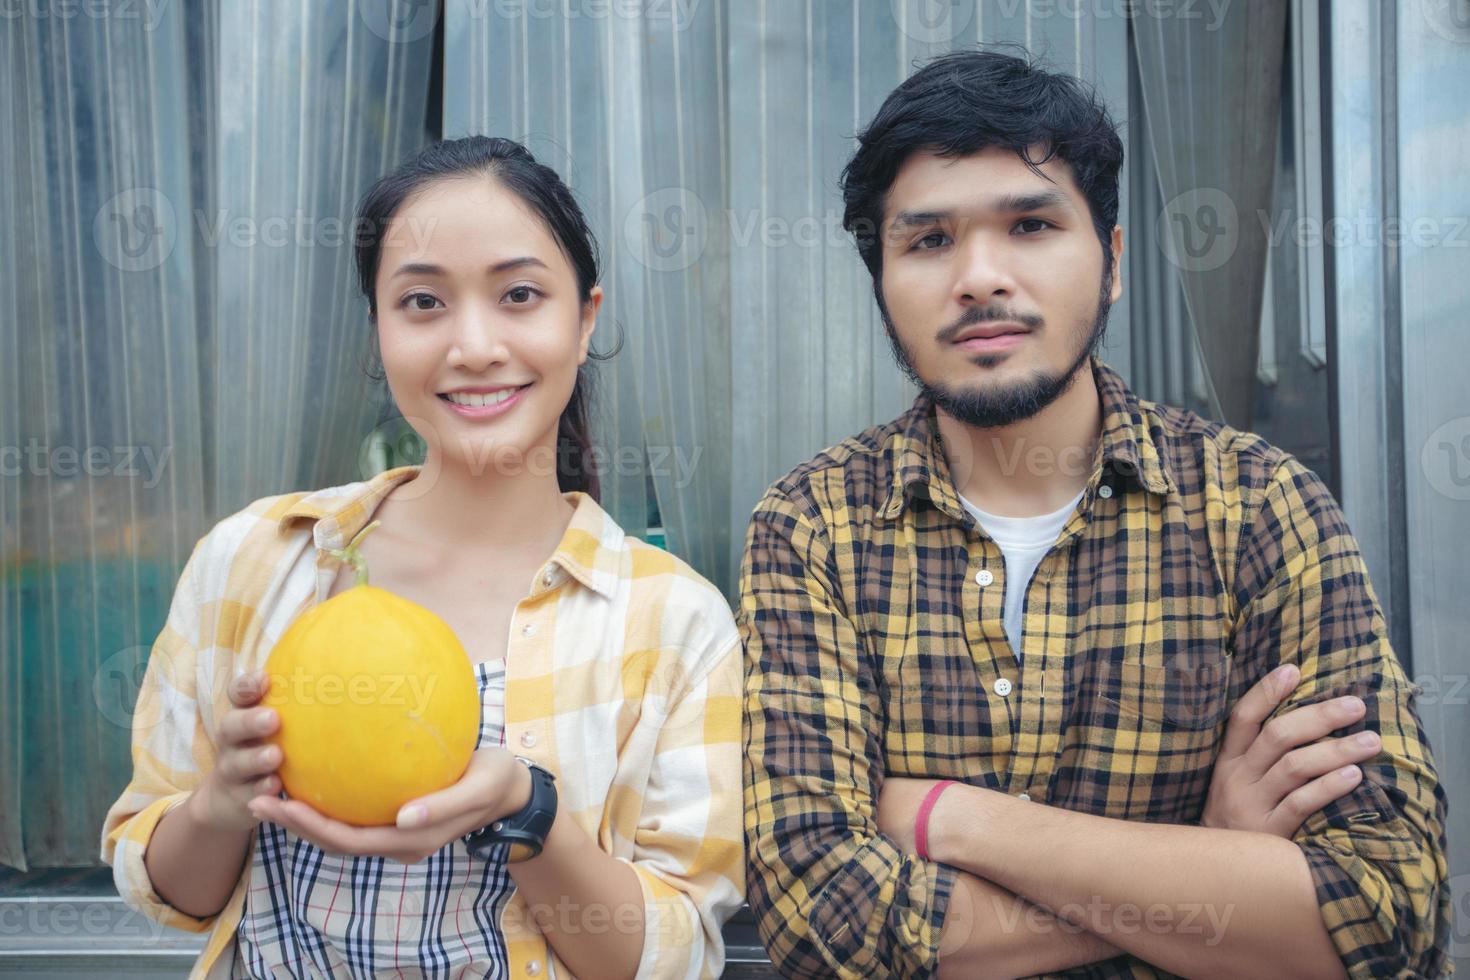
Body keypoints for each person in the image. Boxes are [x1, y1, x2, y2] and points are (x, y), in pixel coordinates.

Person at [739, 49, 1451, 979]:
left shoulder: (1257, 509)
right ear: (880, 281)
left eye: (1032, 224)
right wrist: (1210, 863)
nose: (980, 278)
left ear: (1111, 262)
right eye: (927, 241)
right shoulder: (812, 529)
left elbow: (1388, 908)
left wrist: (949, 817)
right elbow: (822, 921)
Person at [102, 136, 744, 980]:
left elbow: (669, 955)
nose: (473, 345)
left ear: (584, 321)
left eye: (519, 294)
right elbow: (168, 891)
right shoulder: (252, 558)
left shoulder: (676, 622)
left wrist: (528, 810)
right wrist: (221, 803)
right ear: (377, 331)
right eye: (422, 303)